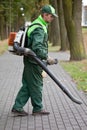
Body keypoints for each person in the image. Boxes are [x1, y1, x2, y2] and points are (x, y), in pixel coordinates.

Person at [11, 5, 58, 116]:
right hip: (34, 61)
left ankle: (17, 107)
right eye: (51, 16)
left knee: (27, 85)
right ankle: (38, 108)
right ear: (45, 15)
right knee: (36, 84)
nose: (52, 18)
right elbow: (37, 47)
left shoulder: (36, 23)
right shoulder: (39, 28)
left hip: (30, 59)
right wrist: (47, 57)